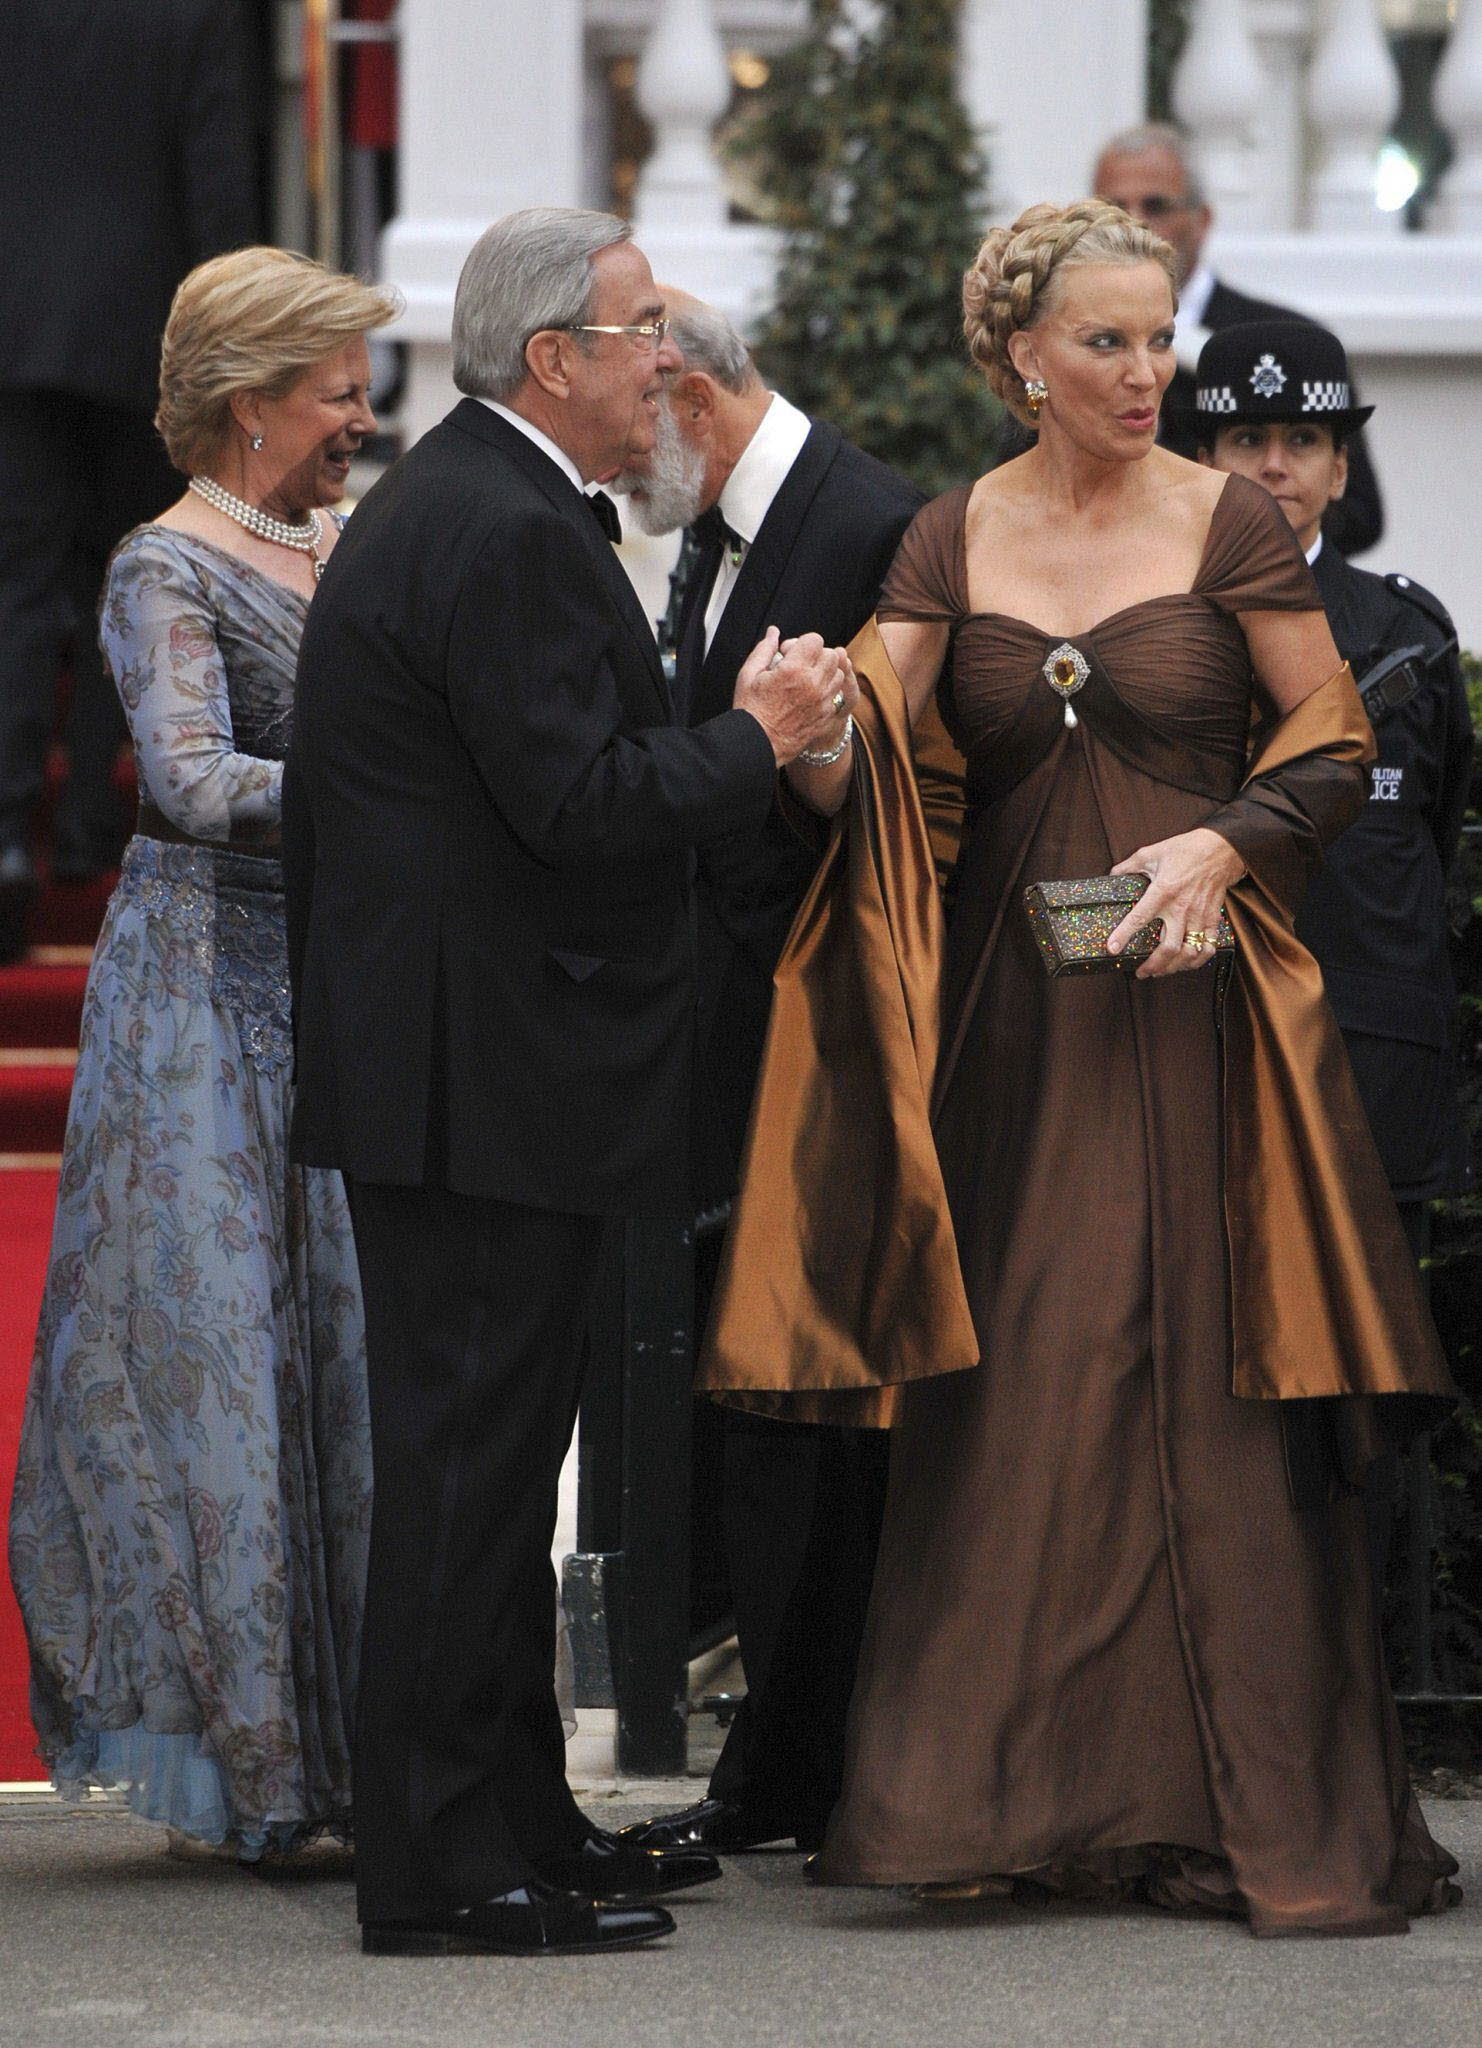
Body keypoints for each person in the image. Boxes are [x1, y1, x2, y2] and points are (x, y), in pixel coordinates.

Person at [700, 200, 1459, 1935]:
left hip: (1197, 1012)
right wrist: (802, 727)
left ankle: (1236, 1799)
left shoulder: (1233, 519)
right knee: (1024, 1387)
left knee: (1204, 1379)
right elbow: (871, 779)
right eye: (1107, 342)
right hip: (1011, 1027)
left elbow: (1330, 735)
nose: (1145, 373)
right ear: (1021, 358)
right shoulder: (946, 537)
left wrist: (1224, 847)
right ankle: (1003, 1799)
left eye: (1156, 339)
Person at [283, 206, 858, 1958]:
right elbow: (580, 804)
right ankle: (445, 1870)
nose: (665, 360)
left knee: (485, 1468)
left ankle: (517, 1819)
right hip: (479, 1088)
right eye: (638, 331)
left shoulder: (488, 499)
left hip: (476, 1077)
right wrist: (756, 737)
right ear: (555, 361)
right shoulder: (507, 525)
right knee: (466, 1480)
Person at [7, 246, 392, 1861]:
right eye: (338, 389)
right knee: (224, 1363)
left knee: (352, 1351)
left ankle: (373, 1746)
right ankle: (258, 1770)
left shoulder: (343, 539)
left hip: (339, 974)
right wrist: (388, 795)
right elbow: (183, 769)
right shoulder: (157, 567)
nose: (363, 416)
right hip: (195, 990)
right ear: (251, 401)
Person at [609, 294, 922, 1858]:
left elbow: (880, 814)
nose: (616, 445)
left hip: (818, 1047)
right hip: (732, 1039)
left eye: (631, 404)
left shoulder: (863, 522)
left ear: (692, 392)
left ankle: (798, 1768)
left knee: (799, 1413)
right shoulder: (736, 521)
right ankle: (782, 1762)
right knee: (757, 1415)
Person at [1191, 316, 1474, 1580]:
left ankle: (1358, 1732)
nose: (1275, 464)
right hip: (1195, 1065)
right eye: (1246, 437)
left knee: (1368, 1413)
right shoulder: (1157, 638)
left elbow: (1436, 829)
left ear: (1342, 468)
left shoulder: (1407, 635)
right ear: (1203, 455)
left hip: (1367, 1071)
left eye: (1303, 438)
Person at [0, 0, 260, 960]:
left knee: (14, 586)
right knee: (130, 586)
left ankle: (5, 843)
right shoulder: (193, 18)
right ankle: (83, 834)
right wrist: (231, 352)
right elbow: (218, 190)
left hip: (16, 338)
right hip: (141, 342)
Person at [1091, 122, 1382, 557]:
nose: (1133, 224)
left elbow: (1359, 514)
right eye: (1114, 208)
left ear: (1201, 219)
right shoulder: (1069, 345)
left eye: (1155, 206)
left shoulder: (1292, 340)